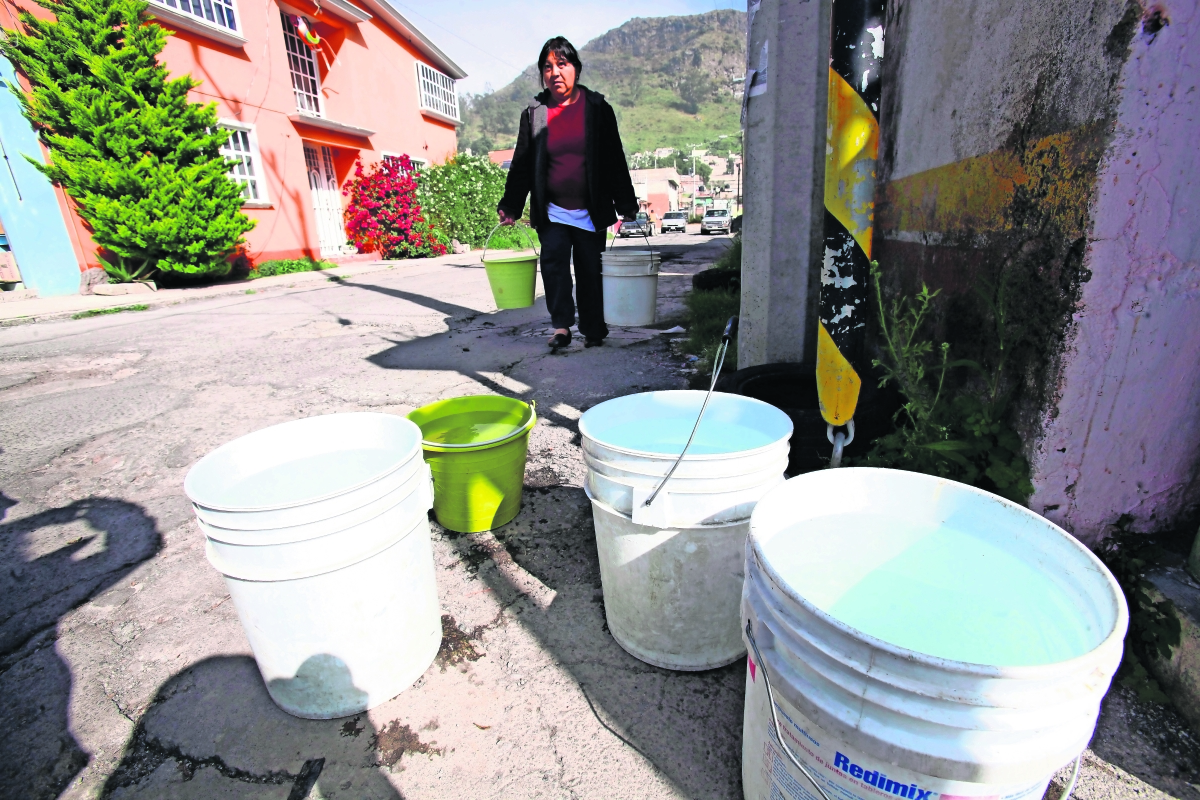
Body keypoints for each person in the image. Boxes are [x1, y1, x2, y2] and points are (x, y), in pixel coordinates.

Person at [497, 36, 638, 349]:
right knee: (555, 267)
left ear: (576, 69)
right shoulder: (534, 114)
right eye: (547, 67)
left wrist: (625, 202)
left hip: (591, 209)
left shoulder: (599, 110)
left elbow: (614, 159)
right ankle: (561, 326)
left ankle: (593, 328)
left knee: (590, 270)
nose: (555, 72)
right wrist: (511, 205)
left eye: (562, 64)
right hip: (553, 209)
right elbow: (521, 164)